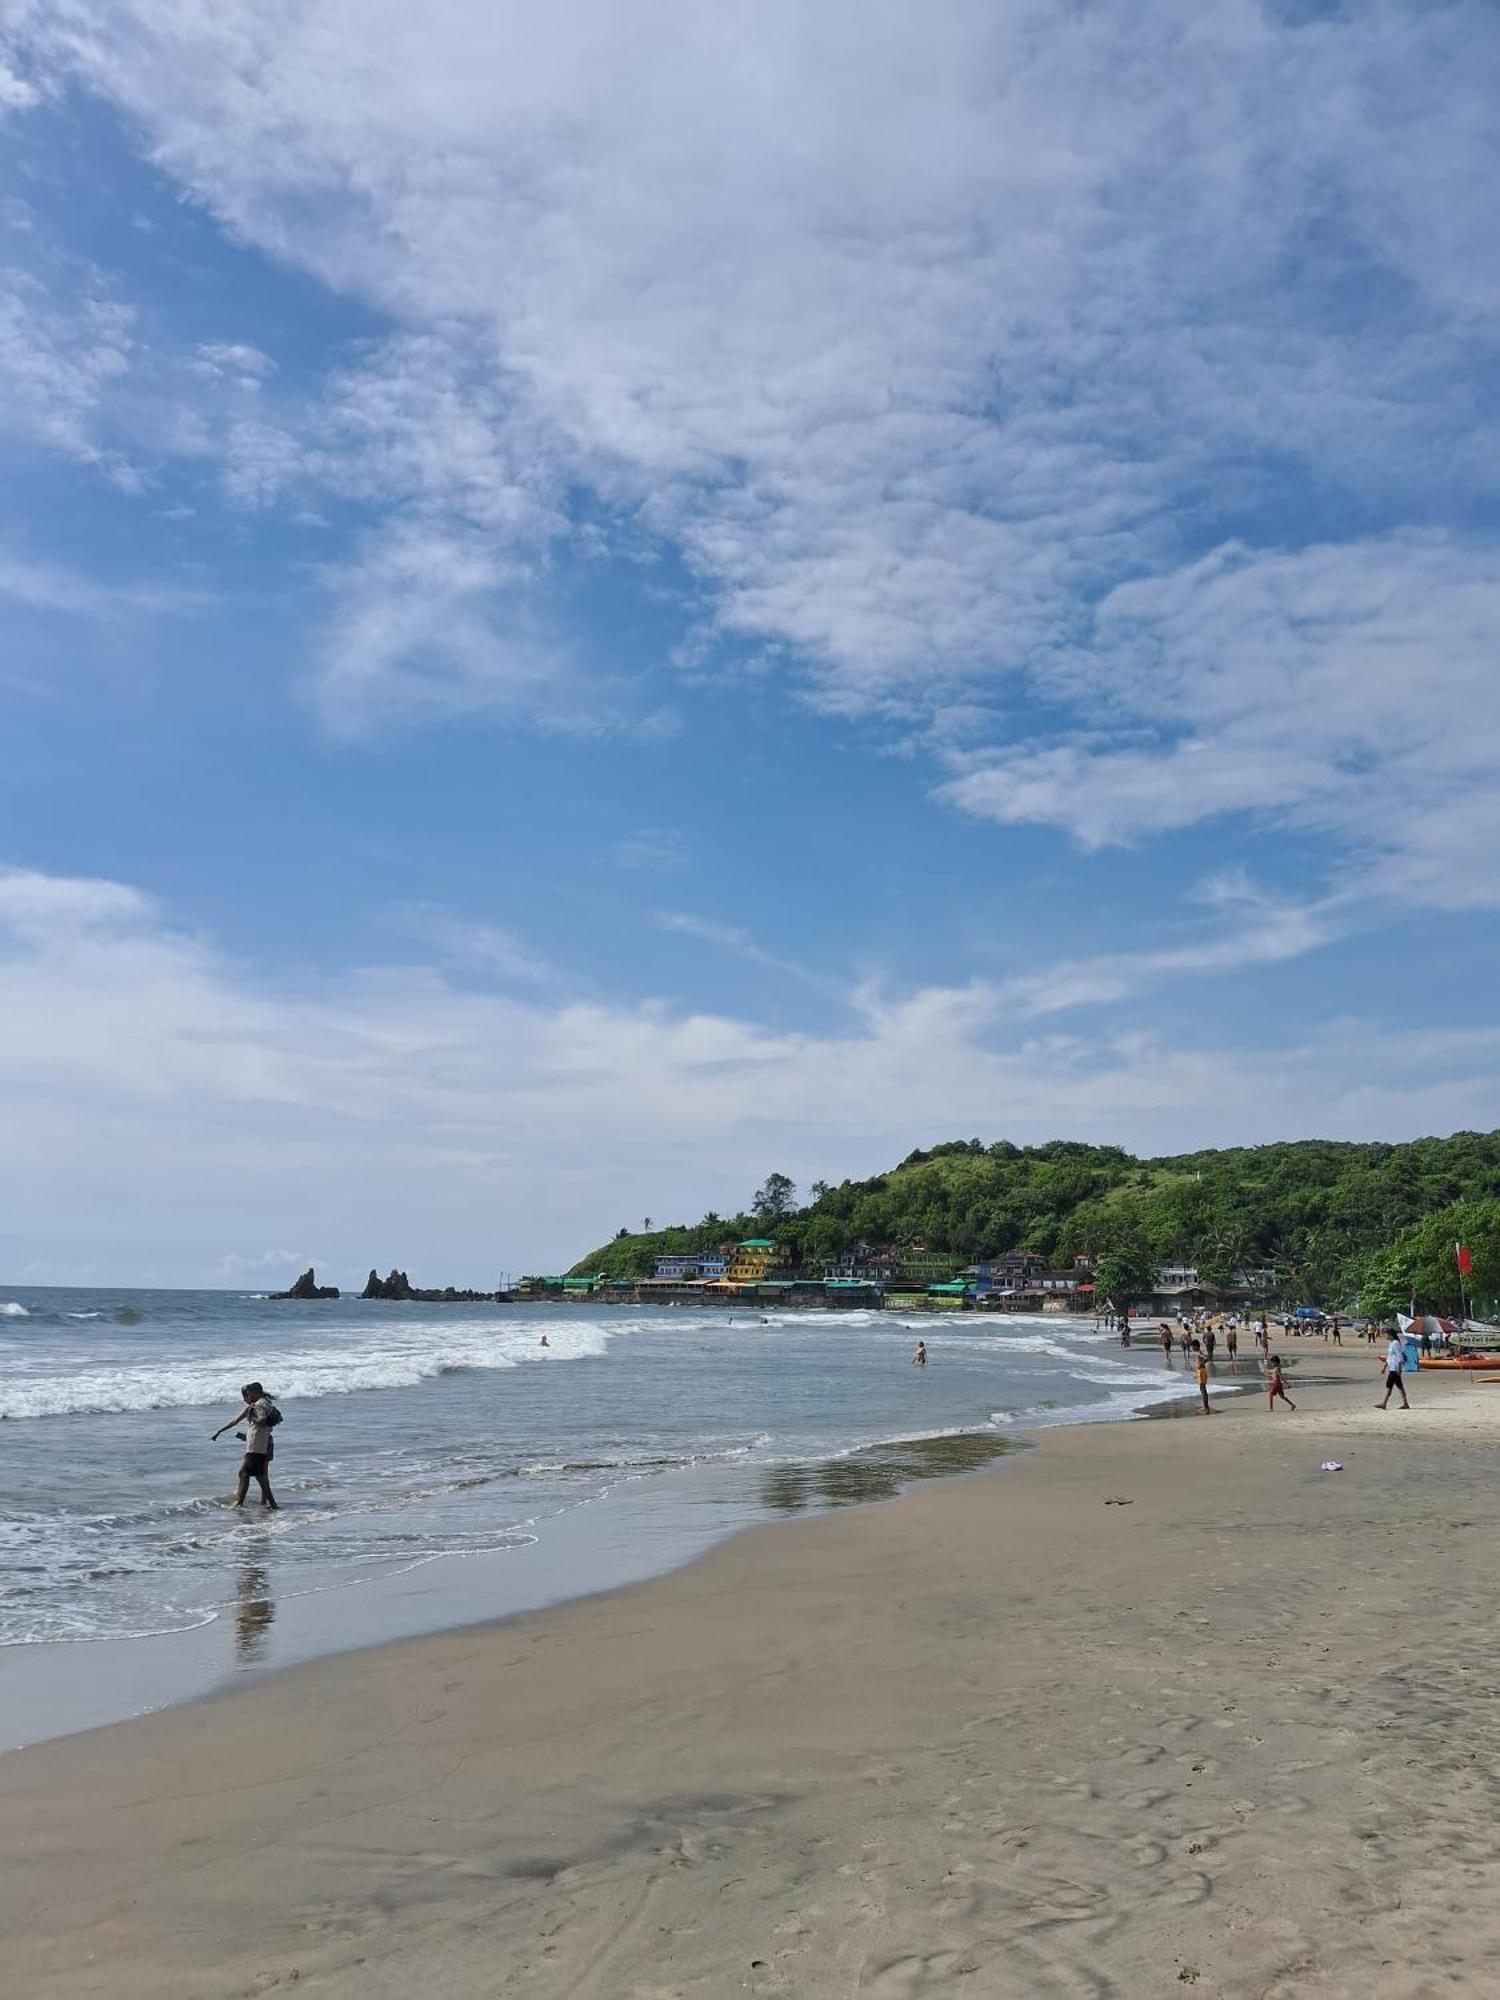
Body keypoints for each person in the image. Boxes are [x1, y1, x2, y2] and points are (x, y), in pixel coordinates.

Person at [212, 1381, 281, 1509]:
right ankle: (270, 1504)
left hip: (256, 1447)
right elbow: (236, 1420)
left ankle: (240, 1503)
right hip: (261, 1445)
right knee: (260, 1477)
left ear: (256, 1392)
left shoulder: (259, 1405)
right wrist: (219, 1431)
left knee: (244, 1473)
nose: (246, 1397)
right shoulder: (263, 1403)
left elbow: (261, 1421)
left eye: (248, 1394)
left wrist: (251, 1416)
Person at [1377, 1331, 1411, 1411]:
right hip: (1392, 1367)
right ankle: (1405, 1403)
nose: (1385, 1336)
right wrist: (1384, 1367)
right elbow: (1389, 1357)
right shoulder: (1391, 1343)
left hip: (1395, 1368)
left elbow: (1399, 1355)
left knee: (1391, 1385)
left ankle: (1384, 1403)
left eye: (1386, 1334)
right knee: (1397, 1385)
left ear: (1391, 1335)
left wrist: (1399, 1367)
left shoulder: (1396, 1343)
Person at [1193, 1340, 1212, 1414]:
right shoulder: (1199, 1352)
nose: (1192, 1348)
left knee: (1202, 1389)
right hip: (1201, 1371)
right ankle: (1205, 1406)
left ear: (1196, 1346)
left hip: (1201, 1371)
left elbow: (1206, 1358)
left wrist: (1201, 1363)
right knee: (1203, 1389)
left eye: (1193, 1346)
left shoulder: (1198, 1353)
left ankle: (1205, 1407)